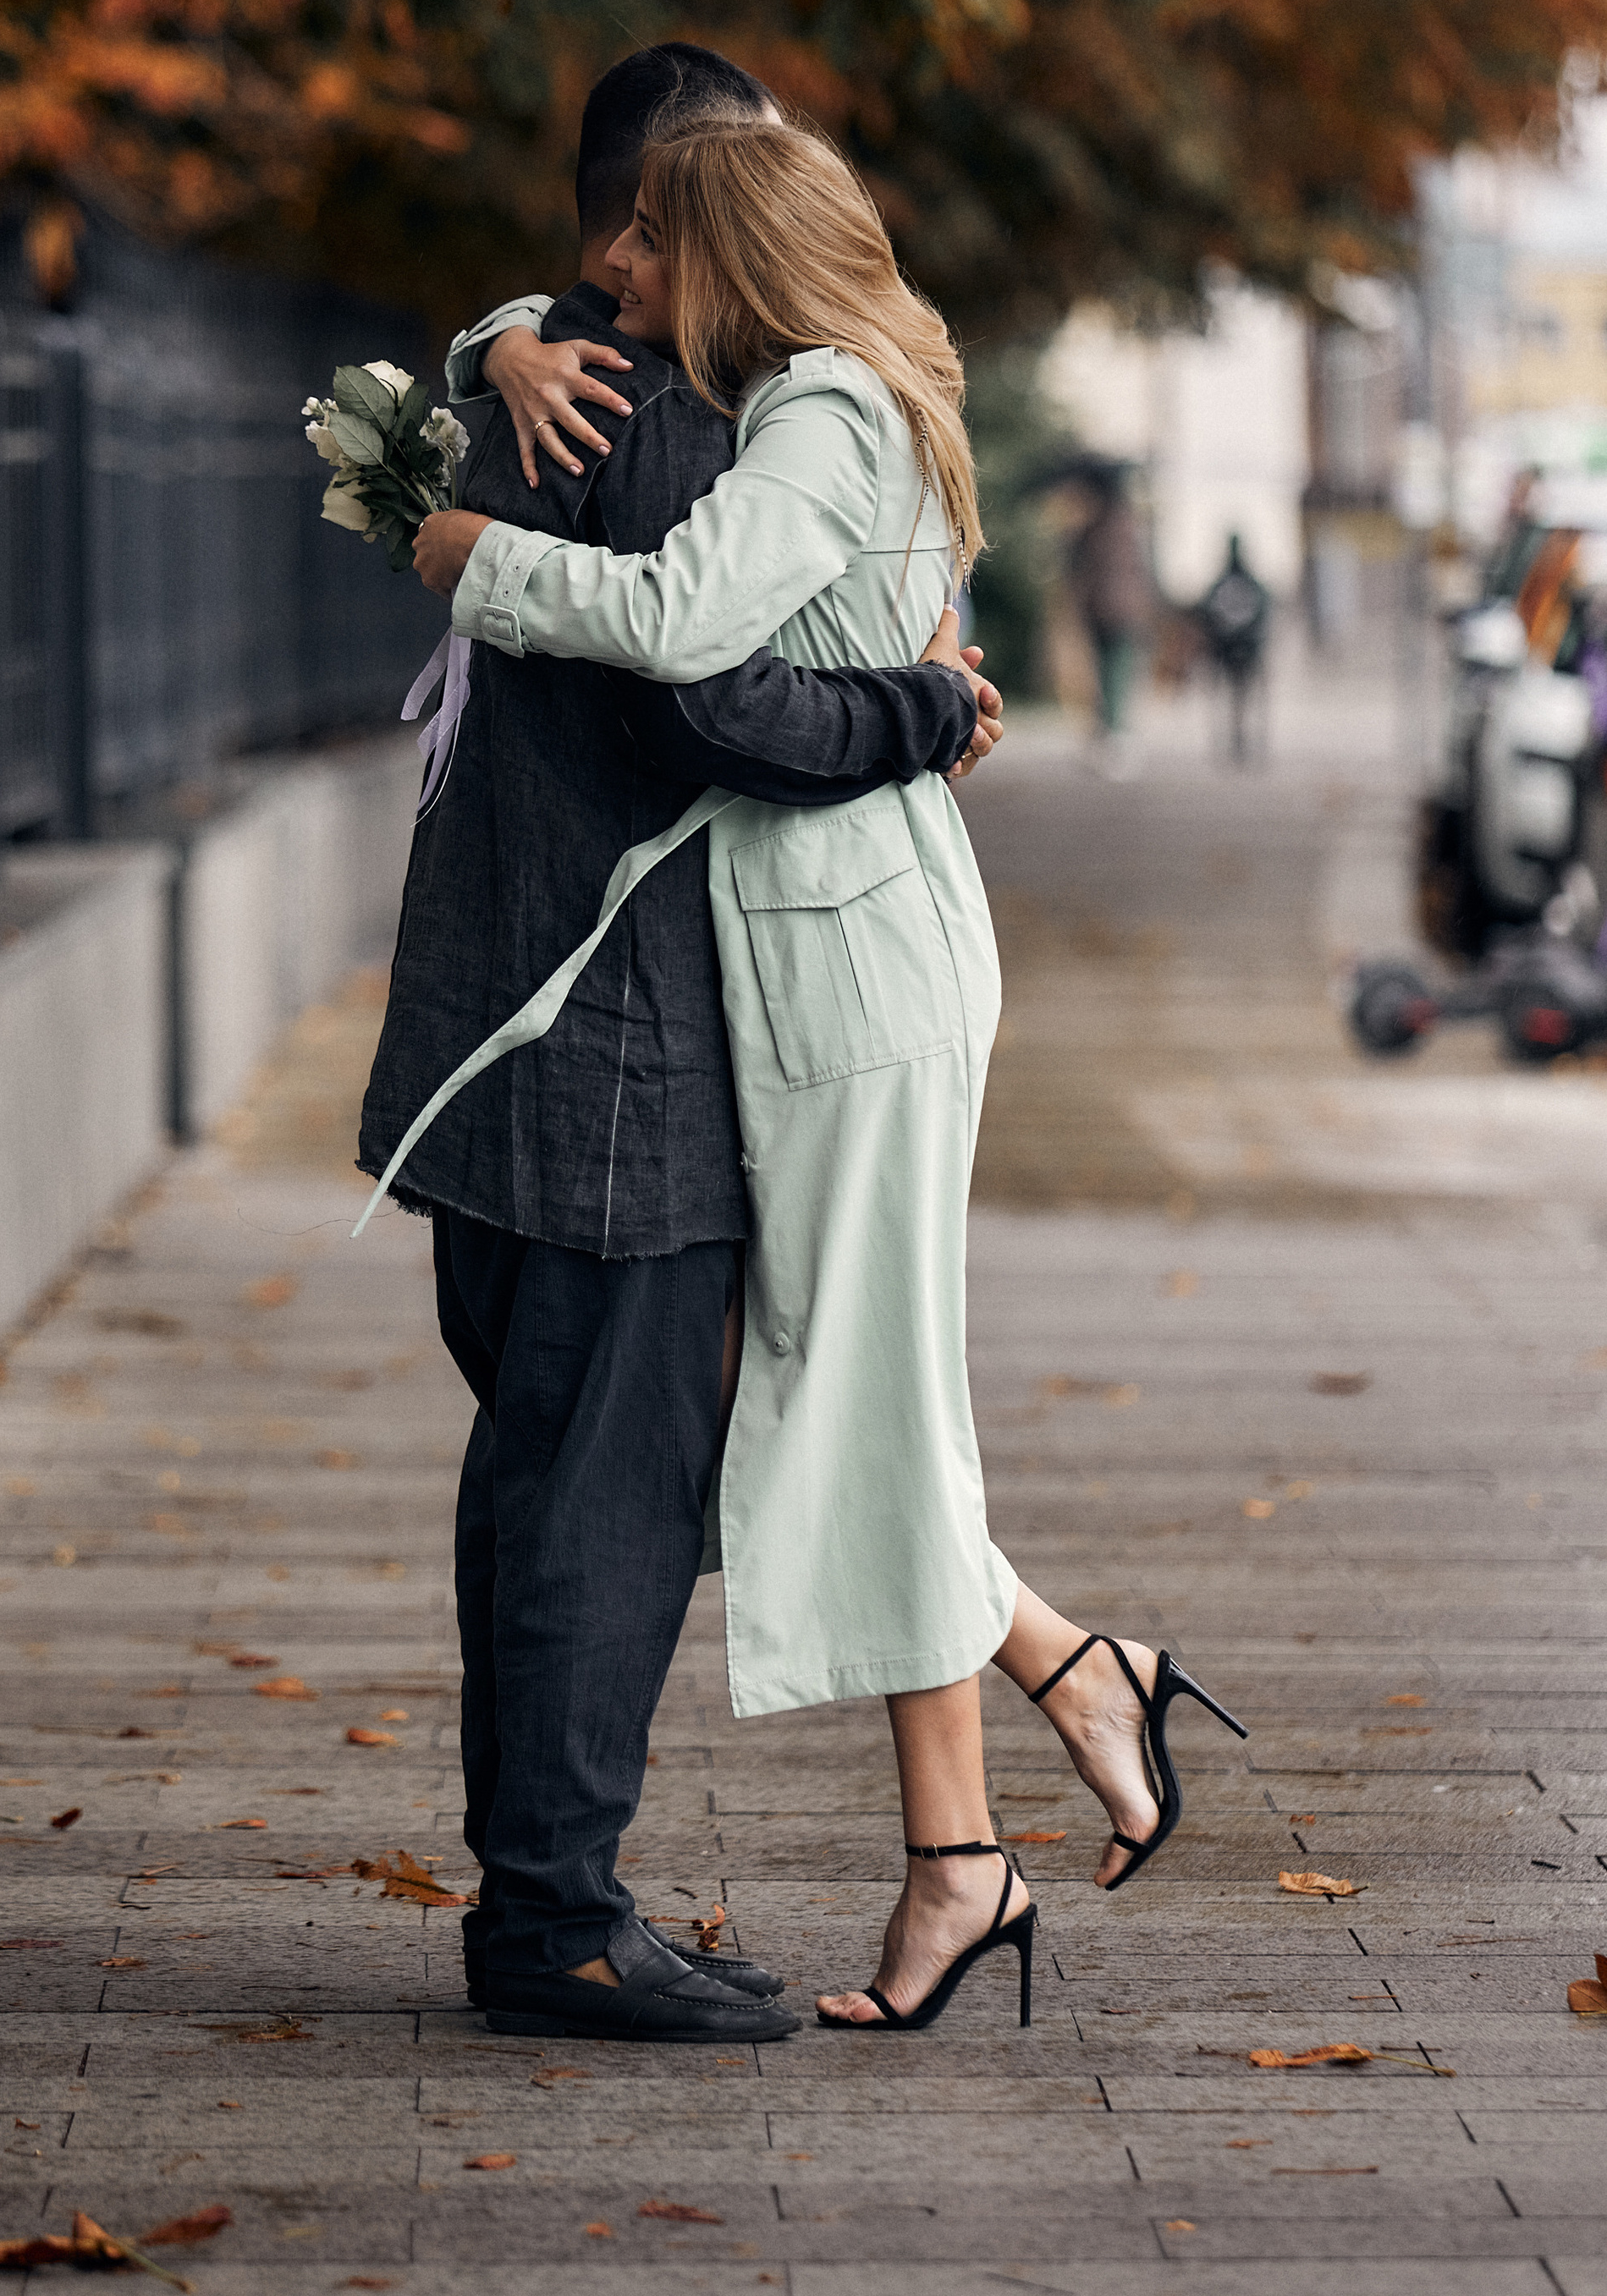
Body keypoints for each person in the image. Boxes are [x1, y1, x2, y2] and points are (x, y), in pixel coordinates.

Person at [402, 117, 1247, 2034]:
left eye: (640, 238)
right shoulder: (851, 383)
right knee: (834, 1392)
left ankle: (1030, 1744)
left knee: (840, 1400)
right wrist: (481, 361)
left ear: (723, 248)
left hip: (844, 960)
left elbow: (688, 635)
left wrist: (472, 556)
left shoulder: (812, 415)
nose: (607, 270)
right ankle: (1004, 1773)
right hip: (827, 941)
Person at [357, 46, 1004, 2048]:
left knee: (541, 1465)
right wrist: (918, 712)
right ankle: (551, 1915)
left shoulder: (524, 362)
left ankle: (550, 1886)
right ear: (665, 209)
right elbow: (703, 706)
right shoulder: (650, 404)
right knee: (600, 1486)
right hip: (616, 1043)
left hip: (485, 1014)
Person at [1068, 464, 1154, 764]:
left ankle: (1112, 733)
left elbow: (1078, 567)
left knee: (1109, 672)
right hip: (1125, 611)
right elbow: (1143, 571)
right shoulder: (1131, 526)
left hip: (1103, 610)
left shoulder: (1094, 528)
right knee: (1116, 672)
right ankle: (1113, 732)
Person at [1198, 531, 1271, 765]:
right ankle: (1244, 741)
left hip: (1226, 649)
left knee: (1229, 697)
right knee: (1246, 698)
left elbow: (1207, 612)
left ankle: (1234, 740)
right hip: (1248, 650)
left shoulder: (1221, 583)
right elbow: (1264, 610)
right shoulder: (1252, 583)